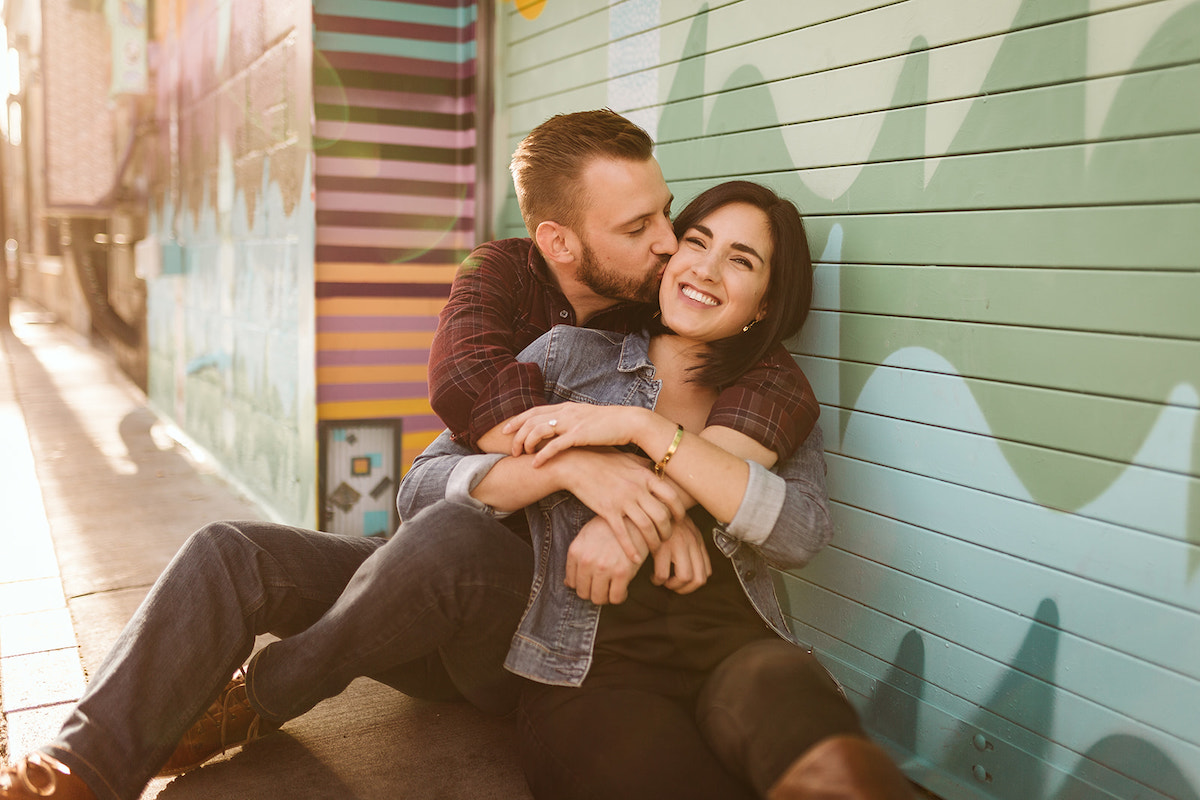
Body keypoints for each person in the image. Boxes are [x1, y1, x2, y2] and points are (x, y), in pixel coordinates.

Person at [0, 110, 818, 800]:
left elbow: (769, 433)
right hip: (438, 574)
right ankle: (79, 770)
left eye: (668, 216)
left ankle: (262, 698)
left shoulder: (723, 353)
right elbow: (456, 405)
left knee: (449, 540)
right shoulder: (524, 295)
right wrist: (576, 465)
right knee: (235, 550)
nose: (673, 248)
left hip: (535, 621)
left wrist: (652, 495)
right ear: (560, 244)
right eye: (642, 229)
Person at [398, 181, 916, 799]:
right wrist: (579, 475)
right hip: (589, 670)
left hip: (738, 651)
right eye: (696, 242)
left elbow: (800, 533)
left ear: (763, 304)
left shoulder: (770, 398)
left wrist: (645, 429)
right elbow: (423, 491)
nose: (706, 267)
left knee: (836, 769)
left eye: (741, 260)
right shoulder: (570, 357)